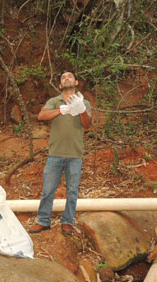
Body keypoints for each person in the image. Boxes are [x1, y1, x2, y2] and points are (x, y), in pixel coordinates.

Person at [29, 70, 92, 235]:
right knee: (48, 189)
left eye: (70, 76)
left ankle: (67, 222)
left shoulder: (83, 102)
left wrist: (81, 110)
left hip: (75, 155)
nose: (66, 78)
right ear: (59, 85)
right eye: (63, 77)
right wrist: (61, 110)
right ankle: (43, 221)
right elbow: (41, 116)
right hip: (55, 154)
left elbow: (87, 125)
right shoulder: (54, 101)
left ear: (76, 82)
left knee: (72, 191)